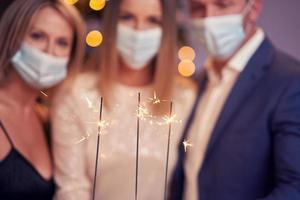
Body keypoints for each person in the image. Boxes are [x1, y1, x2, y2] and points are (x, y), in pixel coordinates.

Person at [51, 0, 196, 199]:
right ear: (111, 23)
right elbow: (72, 189)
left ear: (166, 30)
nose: (139, 30)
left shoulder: (185, 100)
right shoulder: (76, 95)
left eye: (152, 20)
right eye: (127, 17)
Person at [170, 0, 300, 199]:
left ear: (253, 9)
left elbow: (295, 188)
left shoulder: (290, 82)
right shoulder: (202, 79)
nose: (208, 18)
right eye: (198, 8)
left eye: (222, 5)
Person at [0, 0, 85, 199]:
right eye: (37, 36)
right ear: (13, 37)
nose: (49, 51)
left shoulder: (49, 119)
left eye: (62, 43)